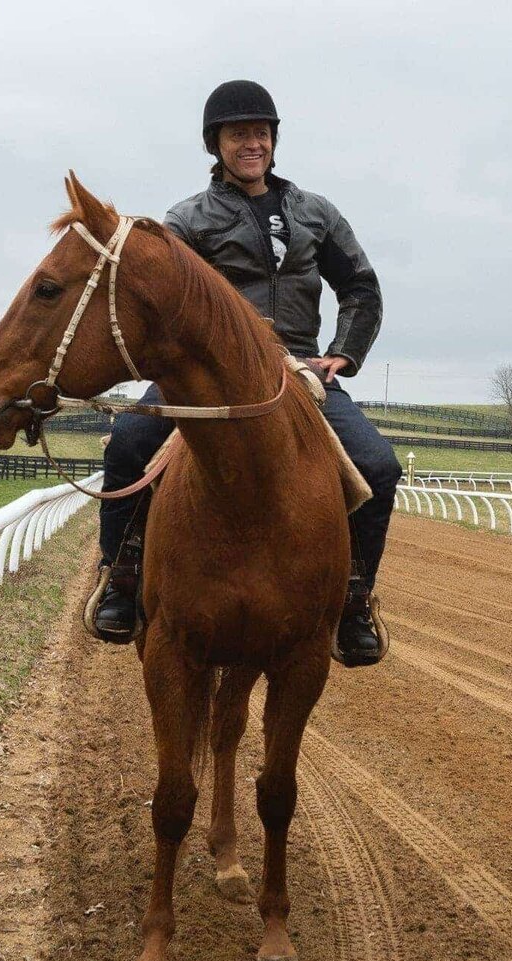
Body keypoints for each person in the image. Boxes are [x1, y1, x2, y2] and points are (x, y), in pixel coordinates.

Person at [86, 79, 400, 666]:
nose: (251, 144)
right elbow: (157, 295)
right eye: (238, 135)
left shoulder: (317, 212)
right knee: (129, 442)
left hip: (300, 371)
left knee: (380, 468)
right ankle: (122, 578)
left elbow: (360, 286)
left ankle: (354, 599)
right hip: (208, 376)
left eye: (261, 133)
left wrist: (342, 353)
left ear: (274, 141)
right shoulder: (186, 220)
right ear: (217, 145)